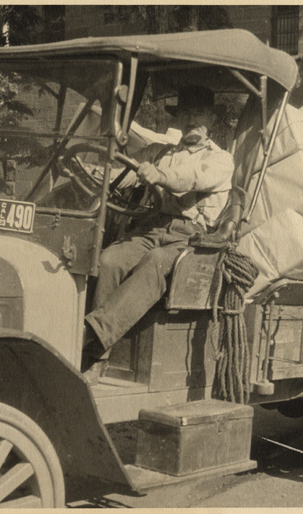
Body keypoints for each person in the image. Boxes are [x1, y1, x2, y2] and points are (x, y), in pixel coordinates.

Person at [81, 85, 235, 384]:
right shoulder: (158, 151)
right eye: (186, 114)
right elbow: (120, 175)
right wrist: (87, 170)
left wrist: (160, 176)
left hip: (190, 239)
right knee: (110, 259)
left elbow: (192, 179)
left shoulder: (220, 159)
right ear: (178, 119)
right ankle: (98, 359)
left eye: (199, 115)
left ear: (211, 120)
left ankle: (90, 337)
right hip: (150, 227)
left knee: (154, 262)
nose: (191, 121)